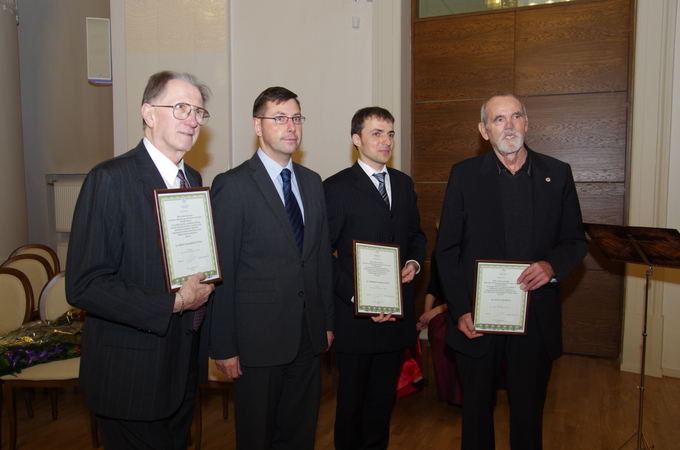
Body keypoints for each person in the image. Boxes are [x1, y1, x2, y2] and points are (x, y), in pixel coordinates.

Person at [66, 70, 215, 449]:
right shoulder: (109, 179)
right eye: (181, 107)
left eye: (199, 111)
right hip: (131, 375)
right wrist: (175, 302)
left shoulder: (192, 178)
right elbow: (86, 284)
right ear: (149, 114)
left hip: (180, 368)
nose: (193, 119)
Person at [435, 94, 587, 450]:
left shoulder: (558, 173)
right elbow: (446, 250)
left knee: (528, 417)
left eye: (515, 116)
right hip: (477, 320)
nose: (509, 126)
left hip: (535, 320)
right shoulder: (464, 175)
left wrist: (552, 266)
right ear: (484, 130)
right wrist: (459, 311)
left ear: (527, 123)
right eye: (498, 119)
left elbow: (574, 241)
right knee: (475, 418)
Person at [208, 86, 334, 450]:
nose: (290, 126)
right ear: (257, 126)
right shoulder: (232, 186)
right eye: (279, 118)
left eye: (296, 118)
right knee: (257, 437)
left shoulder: (311, 183)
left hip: (307, 337)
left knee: (299, 434)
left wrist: (326, 323)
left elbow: (320, 259)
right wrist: (224, 346)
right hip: (256, 344)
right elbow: (223, 272)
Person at [324, 106, 426, 450]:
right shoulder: (335, 188)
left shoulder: (403, 183)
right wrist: (356, 296)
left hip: (396, 318)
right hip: (356, 320)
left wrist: (413, 262)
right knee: (351, 406)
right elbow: (323, 255)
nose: (386, 141)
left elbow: (416, 236)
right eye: (377, 133)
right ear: (357, 140)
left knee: (382, 407)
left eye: (391, 133)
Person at [416, 253, 462, 406]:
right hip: (443, 307)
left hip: (467, 307)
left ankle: (462, 394)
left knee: (455, 334)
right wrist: (425, 315)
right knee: (439, 333)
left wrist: (435, 311)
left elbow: (469, 293)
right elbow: (432, 288)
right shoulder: (438, 253)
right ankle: (448, 392)